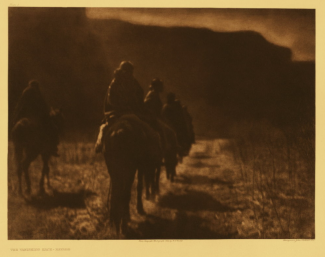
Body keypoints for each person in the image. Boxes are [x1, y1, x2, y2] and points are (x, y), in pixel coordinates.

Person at [95, 61, 144, 153]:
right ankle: (99, 143)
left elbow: (139, 94)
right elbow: (112, 100)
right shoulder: (115, 84)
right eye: (129, 72)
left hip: (125, 112)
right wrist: (125, 108)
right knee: (142, 126)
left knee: (104, 127)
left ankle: (99, 143)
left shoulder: (132, 82)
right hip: (116, 112)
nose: (130, 74)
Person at [12, 80, 59, 157]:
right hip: (35, 116)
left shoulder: (24, 92)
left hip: (23, 115)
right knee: (53, 128)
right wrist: (48, 112)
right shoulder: (37, 93)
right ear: (36, 86)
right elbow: (43, 105)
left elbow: (19, 105)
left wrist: (15, 117)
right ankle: (53, 148)